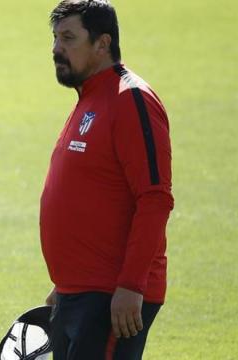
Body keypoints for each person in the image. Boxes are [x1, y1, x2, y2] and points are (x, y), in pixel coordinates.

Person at [39, 0, 173, 359]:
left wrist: (131, 285)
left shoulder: (131, 100)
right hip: (78, 293)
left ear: (102, 43)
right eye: (55, 38)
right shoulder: (89, 97)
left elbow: (155, 198)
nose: (56, 49)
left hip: (111, 297)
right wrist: (64, 283)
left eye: (68, 38)